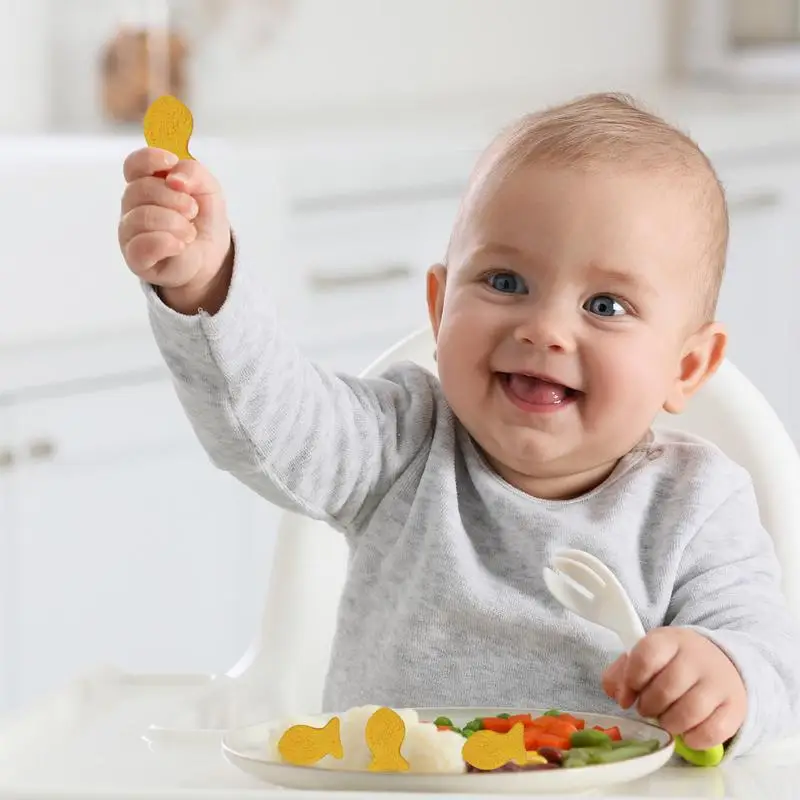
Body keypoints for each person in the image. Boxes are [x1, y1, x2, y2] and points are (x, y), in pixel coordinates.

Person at [117, 92, 800, 756]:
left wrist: (723, 678)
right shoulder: (399, 444)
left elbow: (772, 667)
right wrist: (205, 287)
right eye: (505, 282)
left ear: (688, 365)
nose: (544, 329)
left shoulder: (698, 506)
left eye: (606, 305)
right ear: (440, 306)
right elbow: (266, 424)